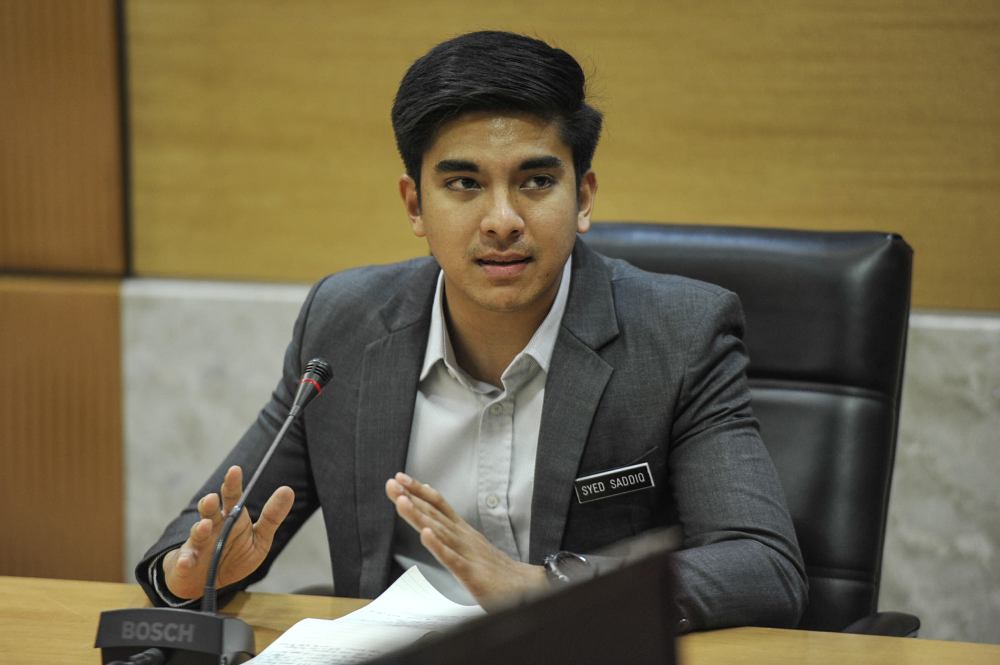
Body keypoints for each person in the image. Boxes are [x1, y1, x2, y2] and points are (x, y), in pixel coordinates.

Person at [136, 30, 807, 631]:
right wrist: (189, 574)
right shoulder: (343, 325)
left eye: (536, 180)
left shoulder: (679, 334)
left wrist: (549, 588)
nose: (502, 219)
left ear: (585, 197)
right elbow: (209, 531)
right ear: (415, 205)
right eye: (463, 183)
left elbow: (762, 566)